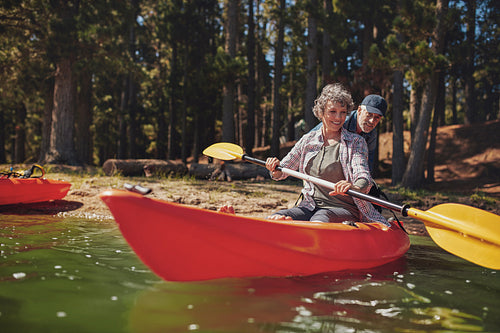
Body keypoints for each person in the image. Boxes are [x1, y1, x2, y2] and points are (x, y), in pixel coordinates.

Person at [261, 83, 388, 225]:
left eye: (343, 112)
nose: (339, 118)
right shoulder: (308, 140)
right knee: (275, 217)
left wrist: (356, 187)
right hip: (310, 205)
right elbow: (282, 171)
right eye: (332, 111)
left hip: (343, 208)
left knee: (320, 219)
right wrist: (275, 168)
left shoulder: (356, 142)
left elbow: (363, 174)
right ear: (321, 112)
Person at [310, 94, 387, 174]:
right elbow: (311, 139)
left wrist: (365, 182)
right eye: (369, 114)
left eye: (377, 117)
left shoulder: (372, 133)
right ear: (360, 110)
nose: (372, 121)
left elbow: (368, 163)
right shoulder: (341, 122)